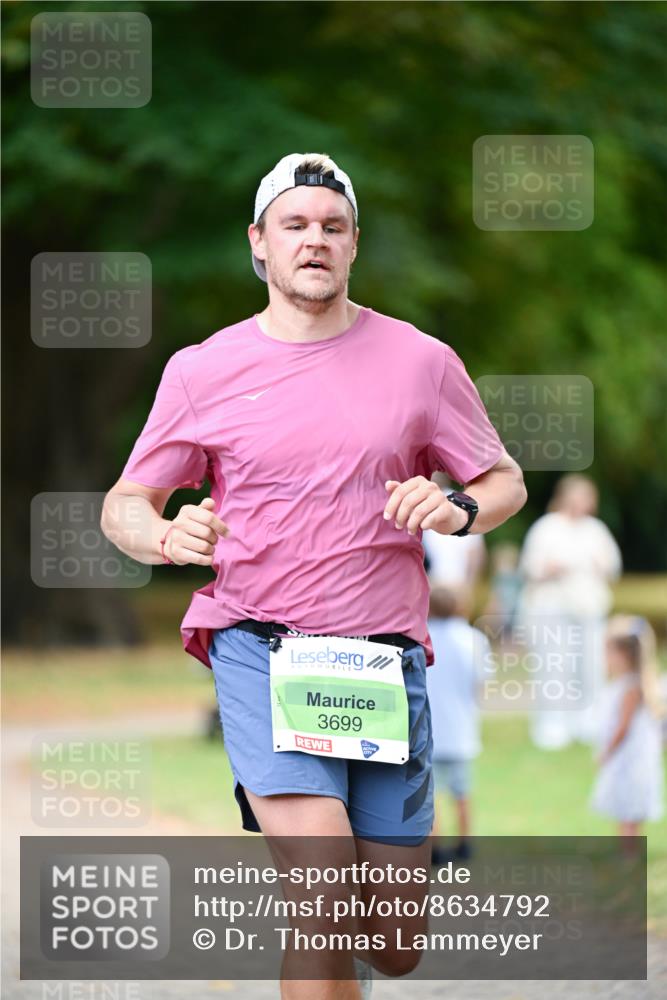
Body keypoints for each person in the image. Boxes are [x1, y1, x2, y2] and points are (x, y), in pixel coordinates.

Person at [101, 152, 527, 999]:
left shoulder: (421, 361)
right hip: (261, 648)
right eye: (294, 225)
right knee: (321, 882)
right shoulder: (202, 369)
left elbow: (501, 480)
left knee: (393, 941)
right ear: (258, 242)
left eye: (331, 227)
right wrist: (164, 533)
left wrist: (457, 510)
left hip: (382, 660)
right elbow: (125, 502)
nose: (314, 241)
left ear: (354, 245)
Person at [517, 474, 622, 750]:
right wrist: (550, 569)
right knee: (555, 667)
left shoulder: (595, 529)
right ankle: (552, 726)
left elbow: (612, 565)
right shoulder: (547, 528)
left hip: (587, 610)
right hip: (553, 609)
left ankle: (587, 722)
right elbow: (530, 567)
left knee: (588, 666)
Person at [425, 585, 490, 865]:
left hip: (429, 728)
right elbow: (482, 681)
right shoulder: (473, 638)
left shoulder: (422, 636)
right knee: (462, 791)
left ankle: (435, 848)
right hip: (462, 728)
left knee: (431, 794)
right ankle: (465, 842)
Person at [590, 616, 665, 844]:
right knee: (627, 811)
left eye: (608, 652)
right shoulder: (632, 684)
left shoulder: (631, 688)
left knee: (627, 812)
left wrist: (607, 751)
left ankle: (628, 854)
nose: (605, 659)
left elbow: (623, 727)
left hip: (629, 762)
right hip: (634, 760)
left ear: (625, 655)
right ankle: (628, 851)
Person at [421, 471, 486, 619]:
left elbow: (475, 552)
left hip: (453, 586)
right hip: (436, 586)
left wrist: (468, 587)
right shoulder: (464, 503)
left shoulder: (462, 504)